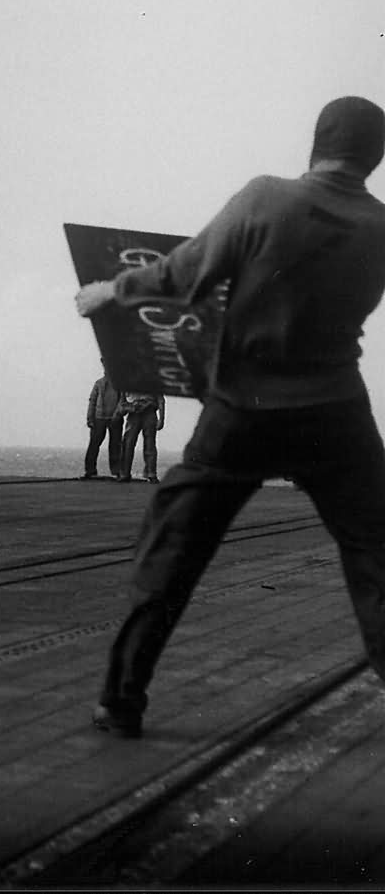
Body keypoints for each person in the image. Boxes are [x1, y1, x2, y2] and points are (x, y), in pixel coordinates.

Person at [75, 95, 385, 739]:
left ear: (316, 144)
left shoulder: (266, 198)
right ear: (376, 157)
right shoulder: (379, 225)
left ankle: (122, 698)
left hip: (244, 408)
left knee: (175, 549)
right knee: (376, 554)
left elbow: (185, 275)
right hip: (337, 411)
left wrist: (110, 290)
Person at [81, 372, 125, 480]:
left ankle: (116, 470)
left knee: (115, 445)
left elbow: (122, 400)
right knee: (94, 444)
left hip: (115, 418)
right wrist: (90, 418)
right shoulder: (99, 383)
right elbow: (92, 401)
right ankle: (90, 470)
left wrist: (117, 414)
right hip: (99, 418)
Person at [116, 389, 165, 482]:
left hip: (149, 411)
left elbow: (160, 399)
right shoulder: (126, 381)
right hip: (133, 413)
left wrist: (161, 419)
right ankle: (125, 473)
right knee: (128, 444)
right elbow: (122, 401)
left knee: (150, 444)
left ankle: (151, 473)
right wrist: (123, 410)